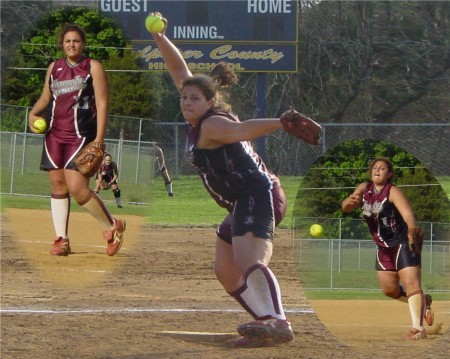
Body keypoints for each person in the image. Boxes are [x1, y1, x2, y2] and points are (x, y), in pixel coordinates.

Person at [150, 15, 295, 348]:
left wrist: (281, 123)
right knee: (226, 269)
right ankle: (265, 322)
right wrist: (160, 38)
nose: (186, 102)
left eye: (194, 99)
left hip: (258, 193)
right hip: (241, 200)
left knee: (249, 262)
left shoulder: (213, 124)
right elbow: (178, 69)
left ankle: (278, 320)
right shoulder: (202, 115)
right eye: (184, 98)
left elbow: (240, 131)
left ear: (210, 102)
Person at [28, 23, 126, 257]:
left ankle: (112, 227)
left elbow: (102, 104)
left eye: (76, 41)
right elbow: (46, 96)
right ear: (62, 44)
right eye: (67, 41)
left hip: (81, 135)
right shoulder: (54, 67)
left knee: (77, 187)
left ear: (83, 44)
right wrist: (33, 113)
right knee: (57, 184)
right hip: (54, 133)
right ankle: (61, 239)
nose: (71, 44)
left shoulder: (93, 66)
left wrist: (99, 139)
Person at [341, 157, 434, 340]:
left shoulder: (392, 191)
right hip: (383, 248)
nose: (377, 170)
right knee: (389, 290)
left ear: (389, 174)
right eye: (375, 168)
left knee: (411, 284)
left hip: (402, 243)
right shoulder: (364, 188)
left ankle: (418, 329)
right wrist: (351, 202)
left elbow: (407, 213)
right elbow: (346, 206)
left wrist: (412, 232)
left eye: (382, 168)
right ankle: (423, 302)